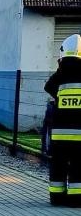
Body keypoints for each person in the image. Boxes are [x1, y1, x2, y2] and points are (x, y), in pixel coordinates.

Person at [44, 34, 81, 206]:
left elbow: (48, 87)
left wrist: (60, 69)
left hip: (59, 135)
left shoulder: (60, 76)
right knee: (77, 167)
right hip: (79, 136)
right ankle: (76, 199)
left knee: (58, 166)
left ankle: (56, 197)